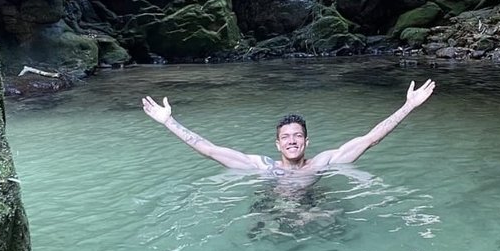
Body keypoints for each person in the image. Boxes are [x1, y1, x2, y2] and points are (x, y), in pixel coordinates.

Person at [140, 79, 435, 174]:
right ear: (277, 144)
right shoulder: (262, 166)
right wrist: (169, 122)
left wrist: (408, 106)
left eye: (297, 136)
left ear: (307, 142)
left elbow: (370, 140)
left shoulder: (323, 163)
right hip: (273, 212)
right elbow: (208, 150)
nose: (292, 141)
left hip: (312, 209)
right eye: (286, 137)